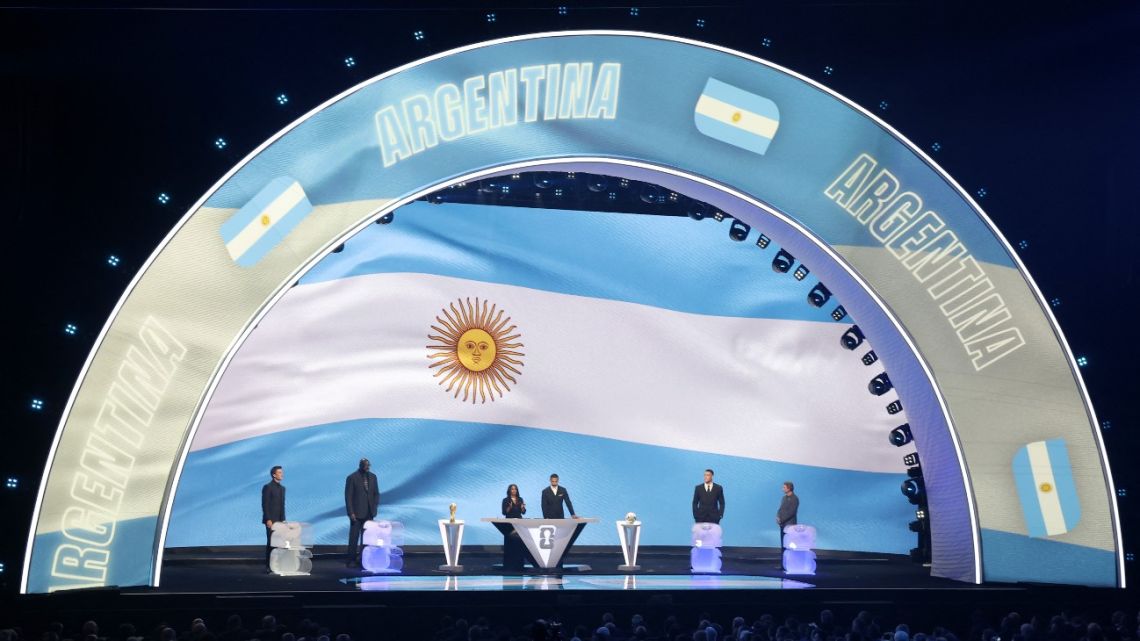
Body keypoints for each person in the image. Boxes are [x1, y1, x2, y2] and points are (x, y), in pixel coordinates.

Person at [344, 458, 380, 567]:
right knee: (354, 538)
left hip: (369, 513)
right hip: (356, 514)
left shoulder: (373, 477)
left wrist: (374, 507)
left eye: (369, 465)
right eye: (366, 465)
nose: (368, 467)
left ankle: (364, 559)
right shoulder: (352, 478)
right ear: (360, 465)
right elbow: (348, 497)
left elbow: (376, 494)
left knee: (367, 538)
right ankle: (351, 560)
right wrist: (351, 513)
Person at [261, 465, 285, 573]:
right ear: (274, 474)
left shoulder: (282, 489)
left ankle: (277, 565)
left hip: (280, 521)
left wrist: (283, 519)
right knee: (271, 543)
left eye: (282, 472)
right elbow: (265, 504)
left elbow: (282, 505)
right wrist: (267, 519)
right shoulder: (268, 487)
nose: (282, 474)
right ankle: (269, 566)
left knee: (279, 543)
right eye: (279, 472)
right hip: (271, 520)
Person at [501, 483, 527, 569]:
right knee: (510, 543)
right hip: (509, 523)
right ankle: (509, 564)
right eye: (512, 489)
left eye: (515, 489)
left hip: (519, 523)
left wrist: (523, 508)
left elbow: (523, 512)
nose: (514, 490)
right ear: (509, 490)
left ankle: (519, 564)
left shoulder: (520, 499)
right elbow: (504, 512)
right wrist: (509, 507)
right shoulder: (505, 500)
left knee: (519, 544)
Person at [776, 480, 799, 569]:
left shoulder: (795, 499)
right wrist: (778, 517)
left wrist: (781, 519)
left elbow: (791, 512)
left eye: (784, 487)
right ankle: (783, 565)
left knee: (789, 545)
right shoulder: (784, 498)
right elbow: (780, 509)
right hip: (782, 525)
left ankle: (790, 564)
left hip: (790, 526)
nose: (782, 489)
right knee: (783, 545)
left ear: (789, 488)